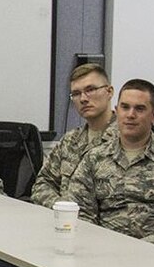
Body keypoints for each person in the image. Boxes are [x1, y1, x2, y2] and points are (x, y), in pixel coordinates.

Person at [65, 78, 154, 246]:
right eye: (125, 107)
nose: (130, 115)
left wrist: (144, 245)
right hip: (103, 252)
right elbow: (80, 211)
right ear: (116, 110)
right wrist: (100, 244)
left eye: (140, 109)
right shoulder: (94, 158)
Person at [30, 62, 115, 204]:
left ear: (109, 91)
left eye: (91, 89)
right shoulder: (70, 141)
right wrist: (63, 208)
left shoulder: (127, 139)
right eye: (76, 93)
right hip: (66, 220)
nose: (83, 99)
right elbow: (42, 185)